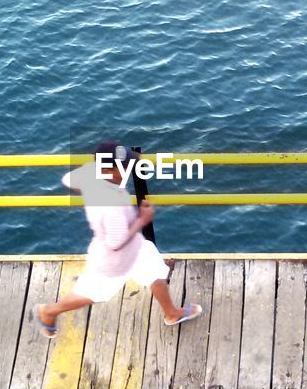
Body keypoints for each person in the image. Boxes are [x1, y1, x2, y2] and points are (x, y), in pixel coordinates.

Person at [32, 140, 202, 338]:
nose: (128, 169)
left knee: (155, 269)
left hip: (136, 248)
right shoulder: (110, 205)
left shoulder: (90, 173)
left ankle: (172, 313)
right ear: (109, 169)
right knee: (95, 293)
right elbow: (115, 243)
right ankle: (48, 312)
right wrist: (142, 220)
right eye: (124, 166)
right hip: (115, 259)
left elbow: (67, 179)